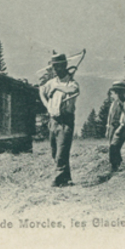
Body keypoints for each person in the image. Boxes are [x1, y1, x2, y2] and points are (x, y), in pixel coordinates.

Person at [39, 54, 80, 187]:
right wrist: (47, 104)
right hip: (53, 120)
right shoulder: (51, 82)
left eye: (58, 66)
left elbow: (75, 90)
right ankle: (66, 179)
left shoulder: (71, 82)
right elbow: (41, 90)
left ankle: (57, 180)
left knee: (62, 151)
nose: (55, 69)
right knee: (55, 151)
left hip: (65, 121)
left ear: (65, 66)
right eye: (53, 66)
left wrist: (57, 88)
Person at [106, 81, 125, 171]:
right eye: (116, 91)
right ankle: (118, 164)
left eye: (120, 91)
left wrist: (120, 128)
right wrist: (108, 128)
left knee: (114, 147)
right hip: (112, 128)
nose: (118, 93)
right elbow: (110, 115)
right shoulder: (114, 103)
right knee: (112, 147)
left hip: (120, 129)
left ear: (124, 92)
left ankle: (114, 166)